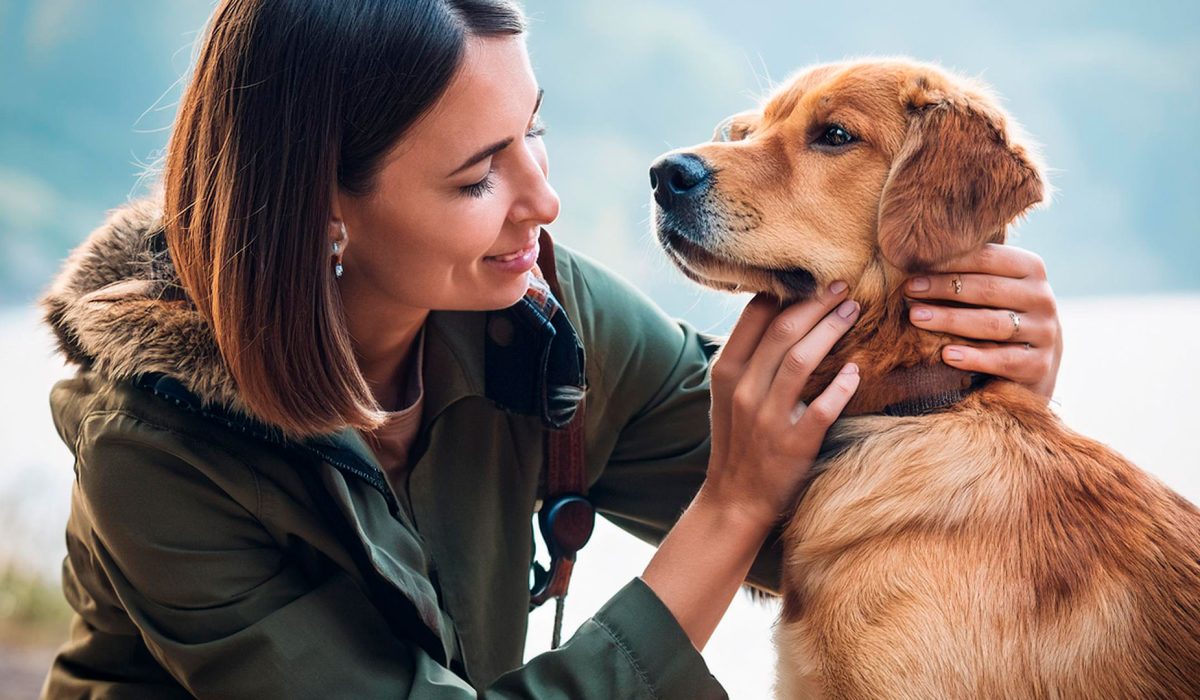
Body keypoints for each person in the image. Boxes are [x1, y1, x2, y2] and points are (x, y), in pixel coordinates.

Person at [37, 1, 1064, 697]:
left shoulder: (539, 310)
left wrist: (971, 381)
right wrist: (731, 505)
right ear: (325, 211)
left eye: (535, 133)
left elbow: (852, 513)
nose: (545, 201)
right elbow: (751, 498)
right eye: (479, 176)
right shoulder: (157, 451)